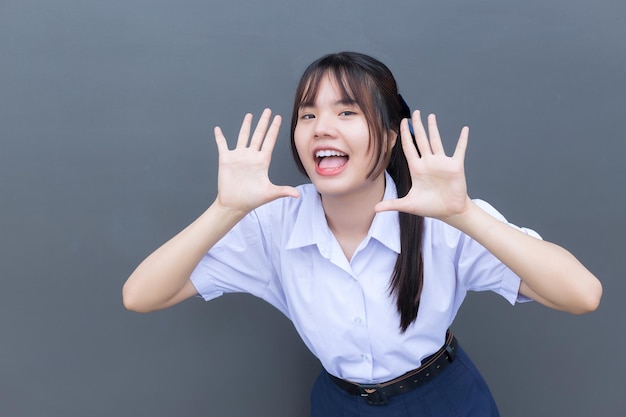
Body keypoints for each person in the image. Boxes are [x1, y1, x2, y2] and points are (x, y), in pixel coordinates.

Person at [122, 51, 602, 416]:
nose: (321, 128)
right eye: (307, 115)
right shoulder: (274, 221)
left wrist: (465, 214)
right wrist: (224, 210)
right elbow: (141, 296)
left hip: (444, 399)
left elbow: (581, 295)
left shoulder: (443, 217)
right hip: (339, 403)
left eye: (347, 112)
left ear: (391, 135)